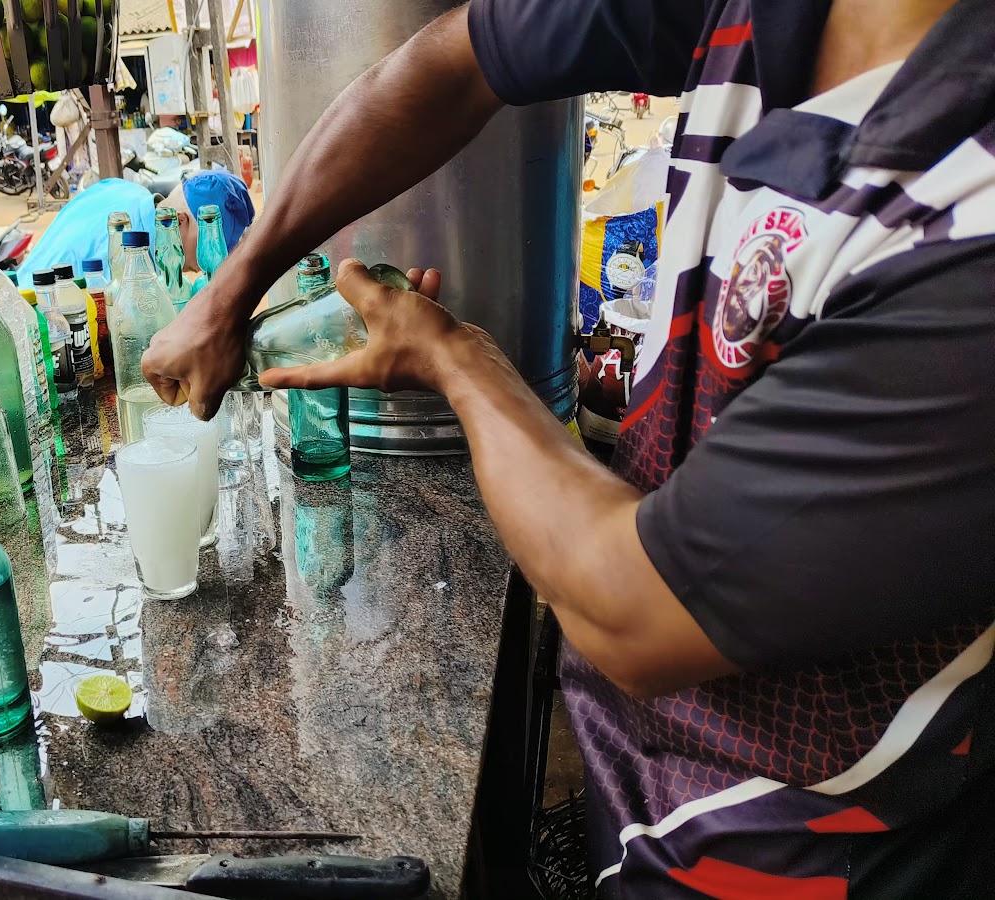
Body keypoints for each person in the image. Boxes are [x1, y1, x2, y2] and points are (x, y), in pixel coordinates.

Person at [142, 0, 995, 895]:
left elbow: (634, 611)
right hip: (644, 765)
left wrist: (456, 360)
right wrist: (230, 292)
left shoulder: (969, 240)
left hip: (807, 840)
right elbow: (455, 58)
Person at [15, 169, 253, 286]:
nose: (210, 260)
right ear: (179, 221)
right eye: (209, 244)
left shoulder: (126, 190)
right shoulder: (124, 262)